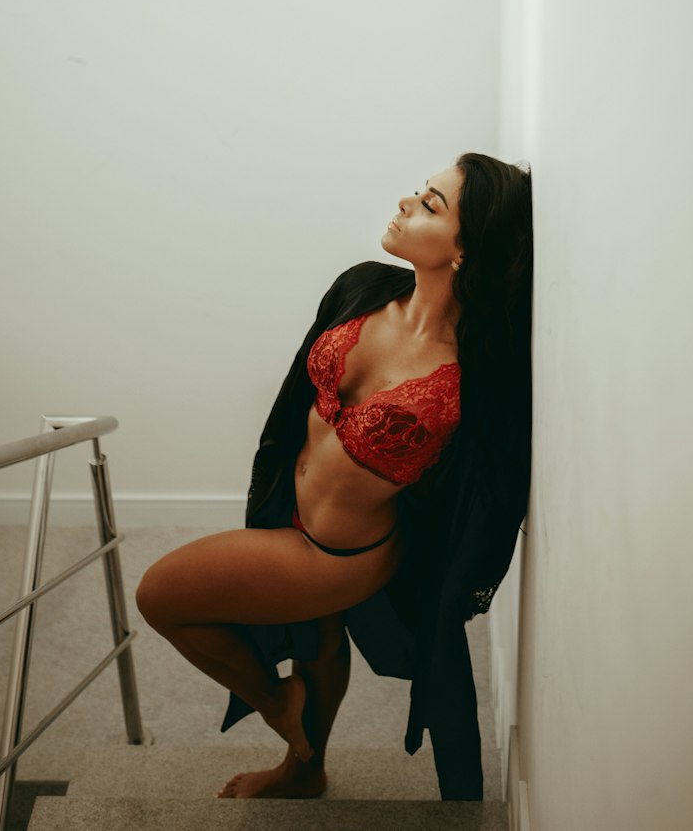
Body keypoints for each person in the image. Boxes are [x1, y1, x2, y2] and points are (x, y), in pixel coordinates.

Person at [135, 151, 532, 801]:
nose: (406, 202)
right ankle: (304, 770)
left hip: (334, 553)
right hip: (288, 503)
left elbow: (490, 497)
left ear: (468, 251)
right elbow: (298, 395)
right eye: (418, 191)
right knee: (317, 642)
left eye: (432, 205)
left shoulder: (475, 376)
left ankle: (277, 704)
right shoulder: (366, 286)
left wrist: (454, 596)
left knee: (160, 596)